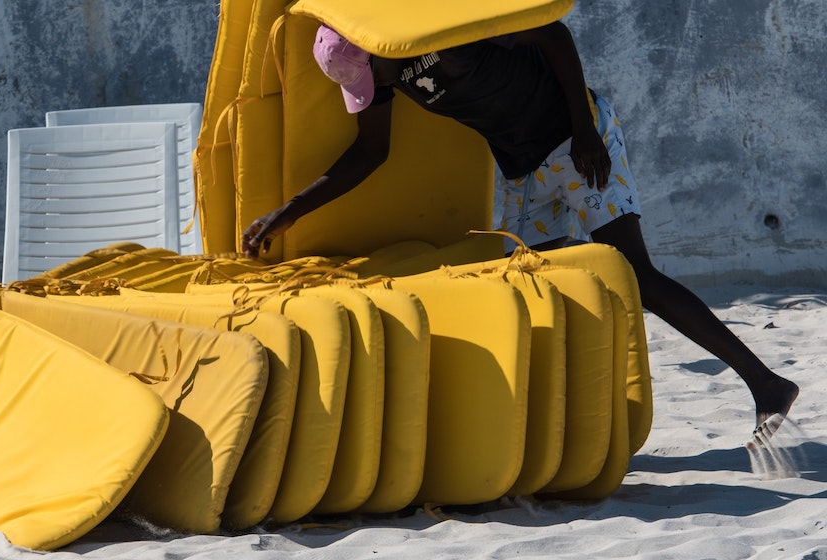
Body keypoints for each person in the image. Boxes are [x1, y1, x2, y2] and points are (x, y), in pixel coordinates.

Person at [241, 21, 798, 434]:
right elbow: (369, 153)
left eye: (370, 76)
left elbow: (552, 34)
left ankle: (765, 384)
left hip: (577, 142)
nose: (374, 87)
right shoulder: (383, 73)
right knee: (541, 287)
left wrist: (584, 129)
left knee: (638, 276)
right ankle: (575, 426)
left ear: (378, 51)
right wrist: (287, 213)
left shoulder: (449, 34)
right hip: (521, 169)